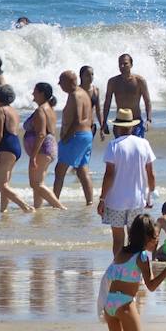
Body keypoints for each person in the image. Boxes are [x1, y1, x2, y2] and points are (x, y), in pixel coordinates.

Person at [98, 108, 157, 255]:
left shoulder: (114, 145)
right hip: (137, 200)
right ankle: (135, 269)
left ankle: (118, 269)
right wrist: (150, 195)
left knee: (118, 239)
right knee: (136, 238)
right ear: (132, 126)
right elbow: (151, 174)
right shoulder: (143, 144)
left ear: (117, 126)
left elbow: (109, 175)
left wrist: (102, 198)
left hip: (115, 200)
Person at [53, 70, 96, 205]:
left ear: (70, 82)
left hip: (76, 135)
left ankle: (54, 201)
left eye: (61, 81)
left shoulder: (75, 95)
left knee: (60, 170)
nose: (59, 84)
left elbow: (77, 119)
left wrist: (66, 136)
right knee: (82, 170)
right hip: (86, 135)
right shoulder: (83, 93)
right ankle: (89, 201)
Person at [0, 84, 32, 213]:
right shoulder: (13, 111)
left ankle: (25, 206)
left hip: (6, 146)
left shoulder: (0, 110)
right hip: (14, 146)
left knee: (0, 185)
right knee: (5, 184)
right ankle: (4, 210)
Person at [23, 82, 65, 210]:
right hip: (49, 147)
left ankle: (60, 207)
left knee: (35, 183)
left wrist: (33, 156)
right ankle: (38, 208)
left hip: (43, 148)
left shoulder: (41, 110)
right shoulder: (49, 108)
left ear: (41, 93)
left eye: (35, 91)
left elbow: (41, 134)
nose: (32, 94)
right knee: (38, 182)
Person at [103, 54, 153, 139]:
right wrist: (104, 122)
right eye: (120, 64)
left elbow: (147, 101)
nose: (122, 66)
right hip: (120, 123)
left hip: (136, 121)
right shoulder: (113, 82)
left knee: (137, 149)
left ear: (131, 65)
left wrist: (148, 120)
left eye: (125, 63)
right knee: (120, 149)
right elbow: (107, 102)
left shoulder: (139, 81)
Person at [81, 66, 102, 138]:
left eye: (92, 74)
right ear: (81, 76)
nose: (90, 77)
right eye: (87, 75)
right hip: (79, 127)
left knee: (88, 148)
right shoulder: (77, 91)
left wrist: (102, 127)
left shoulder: (95, 90)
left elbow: (98, 110)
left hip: (91, 126)